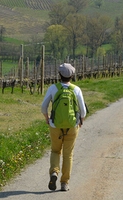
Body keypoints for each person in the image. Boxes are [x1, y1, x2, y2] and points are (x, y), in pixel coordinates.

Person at [41, 63, 87, 192]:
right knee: (68, 155)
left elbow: (43, 107)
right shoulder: (76, 89)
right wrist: (81, 120)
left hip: (55, 125)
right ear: (72, 75)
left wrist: (47, 118)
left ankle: (54, 172)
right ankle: (64, 183)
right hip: (72, 126)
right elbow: (83, 110)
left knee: (55, 150)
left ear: (59, 75)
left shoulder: (53, 88)